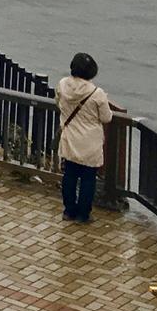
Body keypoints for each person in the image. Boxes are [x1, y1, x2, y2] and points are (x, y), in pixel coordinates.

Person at [56, 53, 114, 223]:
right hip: (90, 142)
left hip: (70, 138)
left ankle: (69, 211)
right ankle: (83, 215)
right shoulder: (97, 93)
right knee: (88, 179)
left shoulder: (62, 85)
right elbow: (106, 118)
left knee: (70, 175)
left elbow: (58, 102)